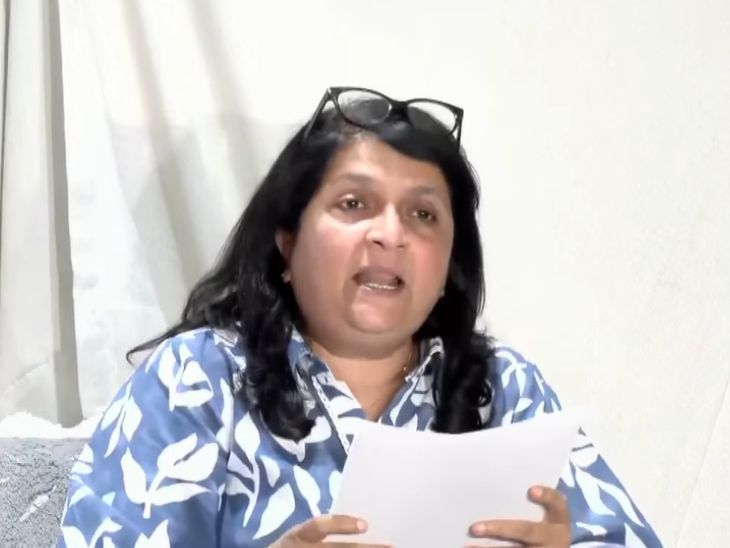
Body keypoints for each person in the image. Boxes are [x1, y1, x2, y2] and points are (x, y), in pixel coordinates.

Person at [57, 87, 661, 547]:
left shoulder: (503, 389)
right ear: (287, 244)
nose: (390, 234)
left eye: (423, 215)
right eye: (354, 203)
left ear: (449, 266)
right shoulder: (196, 377)